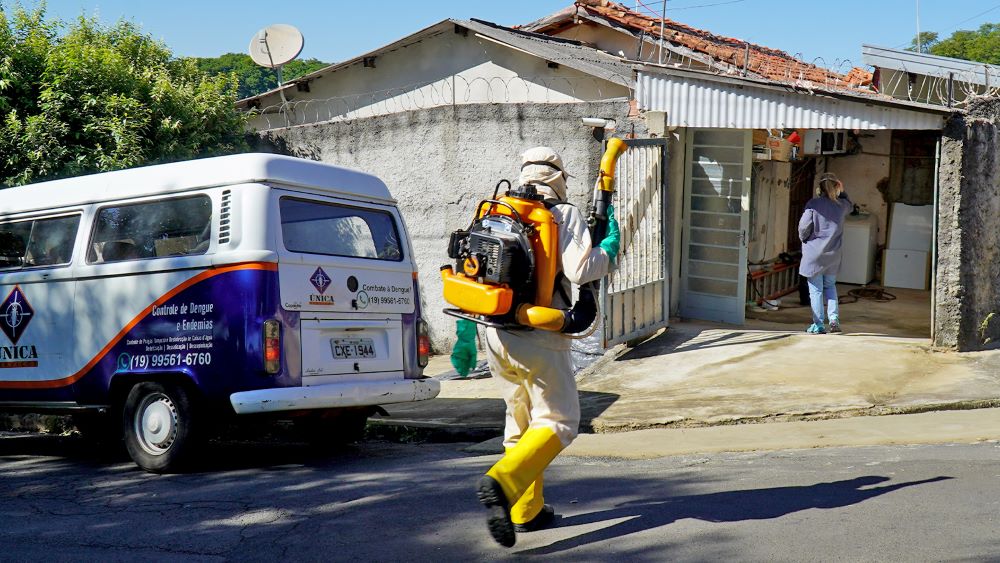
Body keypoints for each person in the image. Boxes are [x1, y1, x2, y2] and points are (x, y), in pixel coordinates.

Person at [476, 146, 620, 547]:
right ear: (558, 177)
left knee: (520, 421)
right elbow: (580, 269)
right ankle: (503, 482)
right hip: (539, 333)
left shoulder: (501, 208)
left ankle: (526, 510)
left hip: (495, 331)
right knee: (559, 420)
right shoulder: (562, 213)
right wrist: (608, 248)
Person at [798, 172, 853, 334]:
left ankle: (819, 325)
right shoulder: (842, 206)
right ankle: (834, 321)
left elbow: (803, 227)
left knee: (816, 290)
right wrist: (842, 191)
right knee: (830, 286)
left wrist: (805, 240)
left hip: (814, 254)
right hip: (833, 256)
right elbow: (850, 204)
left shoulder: (813, 204)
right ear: (837, 187)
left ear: (819, 189)